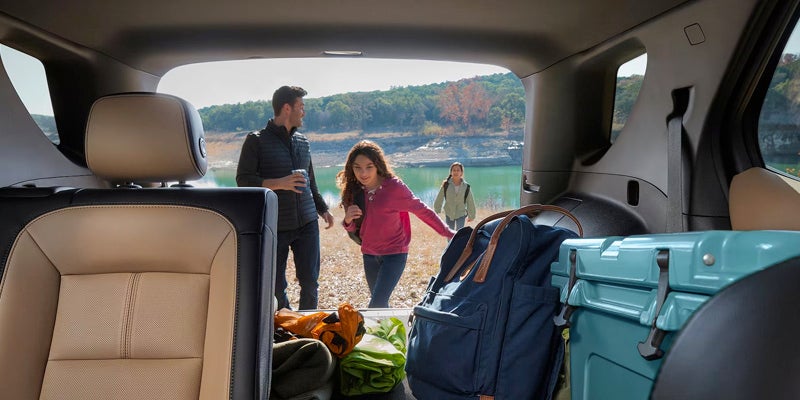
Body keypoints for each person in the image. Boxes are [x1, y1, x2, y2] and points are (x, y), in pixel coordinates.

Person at [236, 85, 334, 310]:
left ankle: (307, 323)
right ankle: (285, 323)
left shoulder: (303, 142)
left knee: (310, 282)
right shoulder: (256, 140)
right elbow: (243, 180)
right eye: (301, 107)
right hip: (275, 224)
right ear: (287, 108)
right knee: (276, 286)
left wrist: (322, 209)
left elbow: (310, 180)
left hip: (307, 222)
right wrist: (280, 183)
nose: (304, 112)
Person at [337, 140, 456, 308]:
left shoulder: (394, 187)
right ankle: (388, 326)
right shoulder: (353, 190)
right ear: (351, 168)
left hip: (394, 254)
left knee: (376, 305)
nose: (363, 173)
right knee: (380, 305)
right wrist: (348, 220)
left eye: (369, 167)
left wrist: (448, 232)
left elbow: (422, 210)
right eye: (358, 167)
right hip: (369, 254)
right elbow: (354, 229)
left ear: (378, 165)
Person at [433, 162, 477, 230]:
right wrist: (437, 210)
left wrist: (472, 215)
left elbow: (470, 201)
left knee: (459, 232)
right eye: (454, 170)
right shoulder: (446, 185)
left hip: (461, 214)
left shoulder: (466, 186)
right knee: (449, 232)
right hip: (449, 213)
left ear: (461, 173)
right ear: (451, 172)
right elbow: (439, 198)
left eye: (458, 170)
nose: (456, 172)